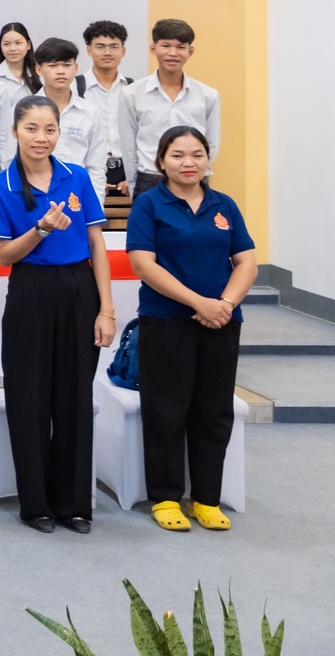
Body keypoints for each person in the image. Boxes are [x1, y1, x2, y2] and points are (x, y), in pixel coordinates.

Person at [0, 96, 116, 534]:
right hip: (30, 291)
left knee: (75, 398)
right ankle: (36, 504)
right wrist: (39, 229)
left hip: (79, 290)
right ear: (15, 132)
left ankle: (74, 504)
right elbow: (4, 255)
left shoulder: (76, 177)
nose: (41, 138)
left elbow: (97, 244)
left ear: (59, 132)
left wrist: (106, 310)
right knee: (29, 398)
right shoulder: (0, 185)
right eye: (31, 129)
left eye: (49, 130)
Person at [126, 126, 256, 533]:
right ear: (162, 160)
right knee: (166, 409)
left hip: (221, 323)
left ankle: (206, 498)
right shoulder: (150, 204)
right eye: (178, 155)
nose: (188, 163)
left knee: (214, 411)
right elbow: (143, 263)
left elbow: (247, 262)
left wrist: (225, 305)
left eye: (197, 154)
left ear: (208, 159)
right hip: (167, 321)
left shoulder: (224, 205)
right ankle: (165, 497)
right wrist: (199, 303)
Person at [120, 19, 222, 197]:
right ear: (153, 48)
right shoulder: (132, 93)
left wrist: (198, 175)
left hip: (193, 181)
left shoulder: (208, 95)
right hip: (149, 180)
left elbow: (211, 144)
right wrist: (135, 185)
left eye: (180, 47)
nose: (172, 53)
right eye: (166, 46)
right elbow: (128, 145)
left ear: (190, 51)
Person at [31, 38, 111, 200]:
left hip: (77, 196)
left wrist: (94, 209)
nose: (61, 71)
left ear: (75, 68)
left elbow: (96, 168)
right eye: (53, 66)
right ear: (39, 69)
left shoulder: (90, 113)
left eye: (67, 65)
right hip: (34, 195)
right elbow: (11, 161)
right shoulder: (24, 111)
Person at [79, 20, 134, 198]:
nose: (108, 52)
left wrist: (133, 177)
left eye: (114, 47)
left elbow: (141, 136)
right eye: (100, 47)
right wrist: (89, 179)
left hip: (127, 172)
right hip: (85, 171)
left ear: (123, 51)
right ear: (89, 50)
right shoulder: (74, 87)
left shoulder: (133, 89)